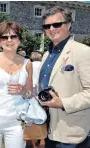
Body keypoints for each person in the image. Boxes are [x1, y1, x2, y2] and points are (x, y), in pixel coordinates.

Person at [38, 6, 90, 148]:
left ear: (68, 25)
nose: (52, 28)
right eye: (47, 26)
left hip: (71, 132)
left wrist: (62, 103)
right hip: (47, 129)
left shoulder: (83, 52)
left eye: (57, 24)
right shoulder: (46, 55)